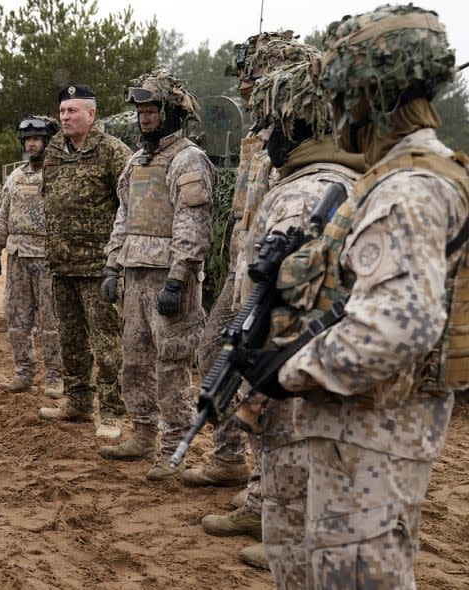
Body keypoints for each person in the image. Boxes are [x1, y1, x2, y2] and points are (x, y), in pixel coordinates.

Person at [236, 5, 468, 588]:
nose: (333, 112)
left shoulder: (409, 188)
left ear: (370, 95)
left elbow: (396, 327)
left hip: (376, 434)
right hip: (360, 431)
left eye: (341, 96)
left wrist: (288, 370)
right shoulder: (392, 176)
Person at [227, 59, 366, 581]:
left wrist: (257, 360)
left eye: (272, 126)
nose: (265, 139)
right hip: (328, 358)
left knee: (293, 463)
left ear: (295, 125)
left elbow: (283, 291)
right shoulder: (345, 177)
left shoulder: (303, 191)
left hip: (293, 358)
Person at [183, 30, 301, 491]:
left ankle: (264, 487)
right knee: (214, 353)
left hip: (276, 273)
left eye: (253, 74)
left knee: (262, 377)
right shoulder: (257, 132)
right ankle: (229, 457)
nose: (245, 84)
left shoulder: (296, 135)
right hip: (241, 267)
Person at [98, 70, 216, 480]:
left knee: (172, 366)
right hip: (135, 275)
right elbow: (124, 217)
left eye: (152, 110)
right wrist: (113, 264)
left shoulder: (188, 160)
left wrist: (178, 278)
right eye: (141, 111)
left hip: (170, 282)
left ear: (171, 113)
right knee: (135, 361)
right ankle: (143, 433)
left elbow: (192, 225)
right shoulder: (136, 161)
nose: (145, 118)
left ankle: (173, 447)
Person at [38, 85, 132, 439]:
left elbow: (129, 204)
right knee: (71, 339)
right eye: (62, 112)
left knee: (107, 343)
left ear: (91, 115)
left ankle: (111, 411)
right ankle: (77, 401)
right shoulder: (54, 153)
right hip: (62, 265)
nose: (65, 117)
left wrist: (117, 259)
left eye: (72, 111)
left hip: (98, 266)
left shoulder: (112, 152)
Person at [0, 115, 64, 398]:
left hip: (47, 258)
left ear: (47, 142)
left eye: (37, 139)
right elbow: (3, 216)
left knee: (51, 322)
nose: (31, 144)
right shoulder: (16, 176)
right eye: (28, 140)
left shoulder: (58, 173)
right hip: (17, 257)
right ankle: (23, 372)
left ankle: (56, 377)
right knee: (17, 319)